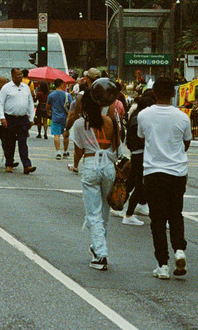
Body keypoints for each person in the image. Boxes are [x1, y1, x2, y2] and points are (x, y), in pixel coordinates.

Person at [137, 75, 191, 280]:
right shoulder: (182, 117)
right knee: (176, 213)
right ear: (174, 93)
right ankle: (179, 249)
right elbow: (186, 143)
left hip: (153, 171)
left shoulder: (144, 115)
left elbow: (142, 138)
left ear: (153, 93)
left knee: (157, 219)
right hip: (177, 171)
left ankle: (163, 264)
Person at [70, 79, 121, 270]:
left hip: (91, 164)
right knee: (104, 211)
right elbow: (117, 148)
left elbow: (78, 151)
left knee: (93, 213)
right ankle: (97, 246)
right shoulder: (110, 122)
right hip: (108, 166)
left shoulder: (80, 124)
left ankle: (101, 254)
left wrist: (75, 165)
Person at [122, 93, 154, 226]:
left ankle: (120, 203)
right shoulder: (139, 119)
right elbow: (138, 139)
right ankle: (128, 214)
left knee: (132, 182)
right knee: (140, 185)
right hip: (140, 154)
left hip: (137, 154)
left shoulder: (136, 117)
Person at [0, 68, 36, 174]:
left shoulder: (26, 87)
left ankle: (27, 165)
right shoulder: (6, 88)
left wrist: (31, 118)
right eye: (18, 74)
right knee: (9, 142)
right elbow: (0, 103)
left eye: (21, 74)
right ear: (12, 75)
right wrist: (2, 117)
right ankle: (9, 164)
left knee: (23, 142)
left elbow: (30, 103)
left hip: (23, 119)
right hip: (10, 118)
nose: (20, 76)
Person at [47, 79, 71, 160]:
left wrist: (49, 113)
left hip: (55, 117)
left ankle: (58, 152)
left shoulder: (51, 95)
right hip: (65, 118)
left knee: (56, 135)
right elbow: (71, 106)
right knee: (66, 135)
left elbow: (48, 106)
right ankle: (65, 151)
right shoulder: (67, 95)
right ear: (61, 84)